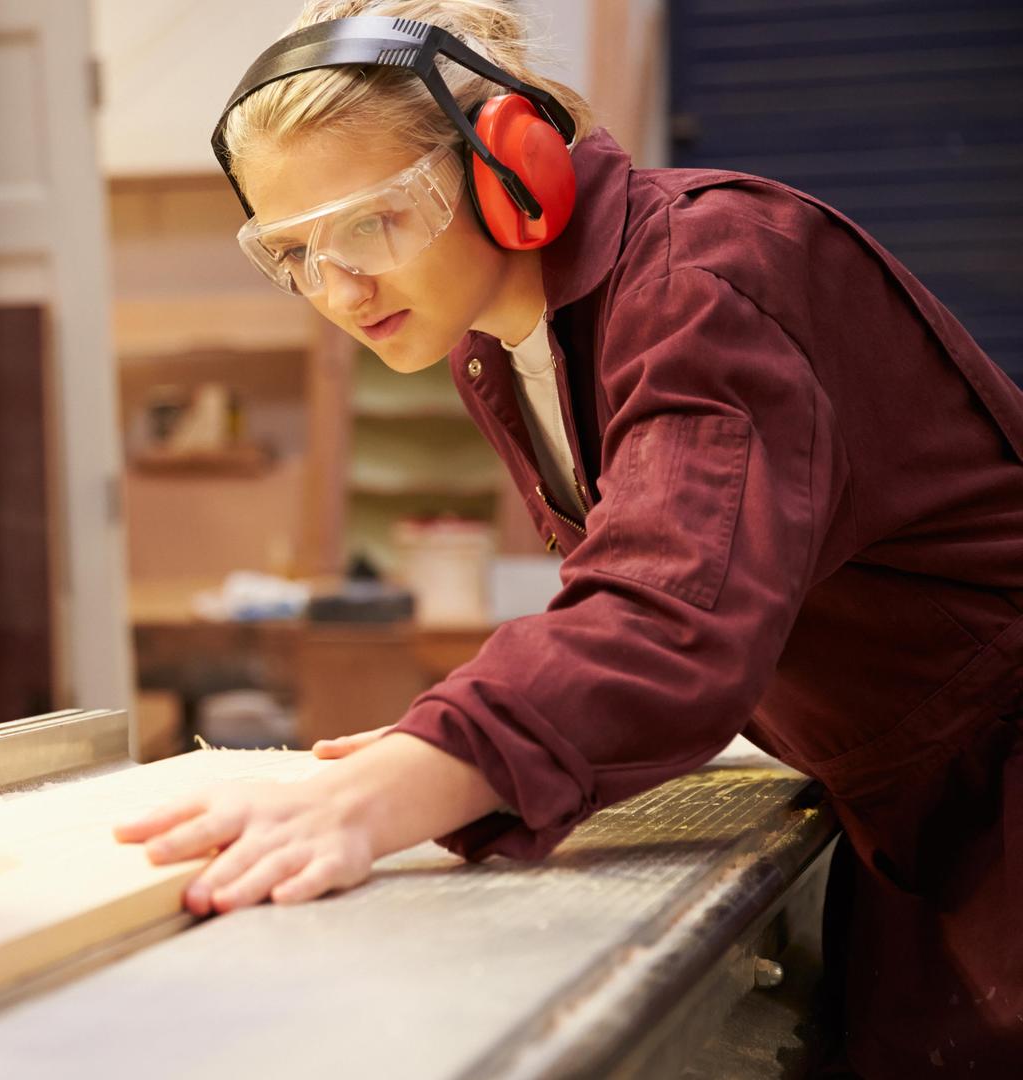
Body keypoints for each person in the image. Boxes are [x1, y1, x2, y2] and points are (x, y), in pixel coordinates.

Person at [112, 2, 1023, 1075]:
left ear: (514, 162)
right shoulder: (498, 345)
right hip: (904, 797)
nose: (340, 289)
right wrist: (456, 738)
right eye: (295, 252)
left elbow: (672, 609)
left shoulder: (706, 278)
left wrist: (422, 772)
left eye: (373, 222)